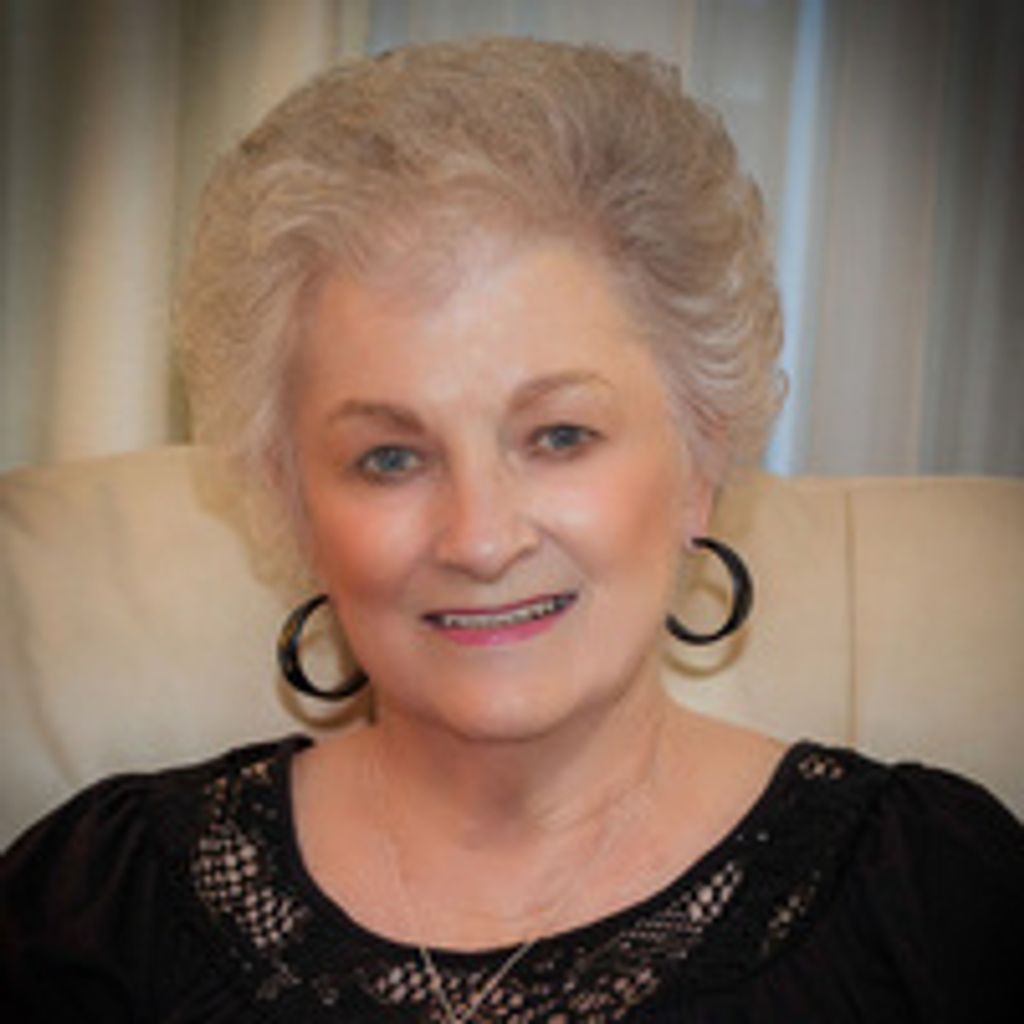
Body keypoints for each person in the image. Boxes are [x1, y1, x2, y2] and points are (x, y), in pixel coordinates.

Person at [2, 37, 1021, 1023]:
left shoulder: (926, 895)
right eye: (389, 457)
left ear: (700, 466)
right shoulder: (100, 904)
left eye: (560, 436)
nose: (481, 540)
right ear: (293, 502)